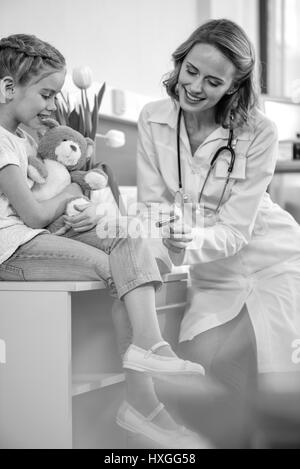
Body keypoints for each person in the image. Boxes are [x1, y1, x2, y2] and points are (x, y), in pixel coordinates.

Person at [0, 34, 208, 449]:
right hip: (12, 249)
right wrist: (70, 197)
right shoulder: (2, 140)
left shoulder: (22, 140)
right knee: (117, 268)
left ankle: (151, 347)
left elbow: (44, 205)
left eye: (56, 96)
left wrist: (71, 202)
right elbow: (35, 213)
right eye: (45, 94)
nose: (50, 106)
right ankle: (141, 400)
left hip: (35, 239)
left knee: (126, 237)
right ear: (7, 88)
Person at [136, 18, 300, 400]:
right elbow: (151, 204)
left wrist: (184, 240)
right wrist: (165, 234)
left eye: (213, 82)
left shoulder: (259, 131)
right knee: (201, 369)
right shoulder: (152, 118)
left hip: (274, 263)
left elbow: (235, 230)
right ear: (179, 64)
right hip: (213, 276)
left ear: (234, 87)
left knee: (273, 390)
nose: (194, 87)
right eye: (190, 72)